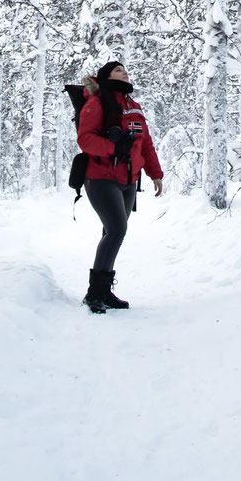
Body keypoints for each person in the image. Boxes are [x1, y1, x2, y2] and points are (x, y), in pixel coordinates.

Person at [76, 60, 163, 313]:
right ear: (105, 77)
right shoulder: (97, 103)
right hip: (101, 177)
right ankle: (94, 294)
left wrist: (155, 173)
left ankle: (104, 290)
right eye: (117, 70)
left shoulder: (133, 106)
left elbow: (145, 143)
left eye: (125, 70)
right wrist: (115, 147)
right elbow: (86, 139)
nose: (124, 72)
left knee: (112, 233)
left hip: (128, 180)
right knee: (116, 230)